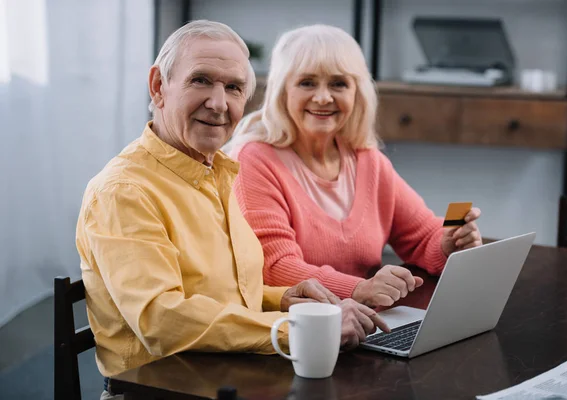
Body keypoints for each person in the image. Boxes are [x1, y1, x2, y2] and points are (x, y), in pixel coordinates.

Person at [75, 20, 388, 400]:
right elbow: (162, 319)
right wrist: (295, 329)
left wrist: (284, 298)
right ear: (159, 86)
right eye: (201, 80)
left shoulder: (216, 172)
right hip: (160, 389)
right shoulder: (124, 192)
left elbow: (221, 293)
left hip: (228, 375)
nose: (219, 103)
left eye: (234, 87)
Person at [227, 25, 482, 309]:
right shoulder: (253, 160)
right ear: (282, 90)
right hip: (293, 333)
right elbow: (275, 268)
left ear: (357, 93)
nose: (323, 98)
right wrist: (359, 289)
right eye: (307, 83)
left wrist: (450, 242)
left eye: (339, 84)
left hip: (364, 325)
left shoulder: (367, 161)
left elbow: (423, 234)